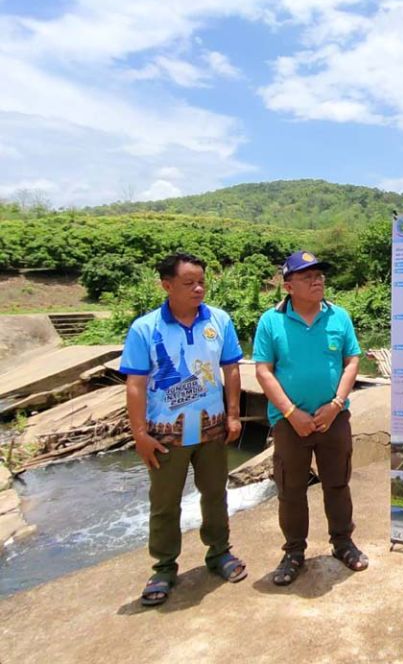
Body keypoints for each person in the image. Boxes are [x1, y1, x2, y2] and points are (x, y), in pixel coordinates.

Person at [119, 252, 247, 607]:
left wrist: (234, 415)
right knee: (164, 503)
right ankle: (163, 567)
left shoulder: (219, 321)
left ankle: (219, 552)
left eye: (202, 281)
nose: (199, 288)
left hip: (212, 431)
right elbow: (135, 384)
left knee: (215, 493)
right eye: (189, 283)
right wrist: (140, 434)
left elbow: (231, 370)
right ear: (167, 285)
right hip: (164, 436)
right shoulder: (145, 328)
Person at [253, 250, 367, 585]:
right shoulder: (270, 321)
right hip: (290, 424)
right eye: (307, 276)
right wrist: (291, 412)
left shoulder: (339, 316)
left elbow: (352, 361)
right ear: (288, 286)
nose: (317, 280)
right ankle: (293, 552)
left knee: (337, 483)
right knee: (291, 490)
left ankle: (343, 542)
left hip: (334, 419)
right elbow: (263, 371)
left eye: (319, 275)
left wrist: (336, 403)